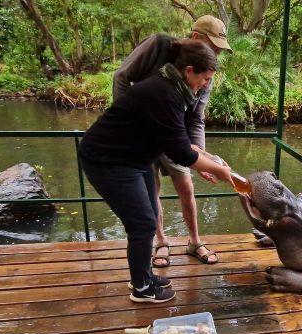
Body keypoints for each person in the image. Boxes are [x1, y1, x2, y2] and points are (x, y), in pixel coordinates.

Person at [79, 40, 232, 303]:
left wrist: (213, 161)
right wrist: (221, 171)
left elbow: (182, 141)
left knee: (148, 216)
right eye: (205, 79)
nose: (206, 85)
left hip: (136, 159)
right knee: (143, 224)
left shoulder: (173, 90)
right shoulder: (165, 93)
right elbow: (182, 154)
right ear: (189, 71)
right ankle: (141, 289)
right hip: (108, 160)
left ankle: (144, 275)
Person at [112, 15, 232, 268]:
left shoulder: (204, 70)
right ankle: (162, 242)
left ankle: (194, 241)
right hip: (141, 134)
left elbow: (196, 119)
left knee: (186, 187)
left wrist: (203, 158)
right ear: (196, 37)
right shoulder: (158, 45)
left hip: (174, 135)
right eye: (214, 47)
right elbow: (121, 77)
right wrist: (128, 122)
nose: (216, 55)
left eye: (219, 51)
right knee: (151, 189)